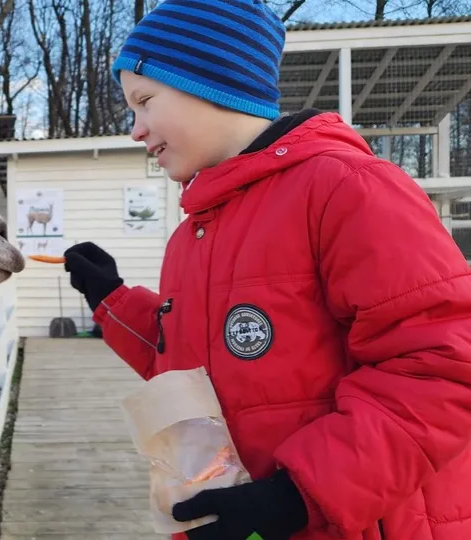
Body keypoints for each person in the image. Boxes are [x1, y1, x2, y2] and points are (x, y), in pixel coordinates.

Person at [62, 1, 471, 539]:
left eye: (144, 101)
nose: (136, 130)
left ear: (209, 83)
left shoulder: (345, 188)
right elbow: (192, 361)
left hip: (348, 520)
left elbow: (440, 364)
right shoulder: (194, 232)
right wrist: (112, 299)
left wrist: (300, 493)